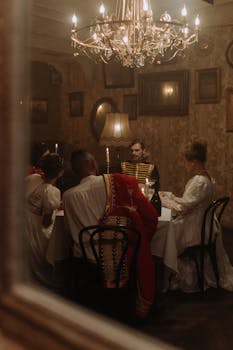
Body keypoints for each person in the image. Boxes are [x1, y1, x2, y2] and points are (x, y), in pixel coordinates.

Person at [63, 149, 158, 318]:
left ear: (75, 171)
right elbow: (150, 216)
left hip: (85, 258)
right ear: (94, 164)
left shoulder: (68, 196)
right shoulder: (116, 182)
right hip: (117, 255)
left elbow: (68, 230)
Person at [155, 136, 233, 292]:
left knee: (162, 233)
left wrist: (163, 200)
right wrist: (170, 198)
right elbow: (188, 204)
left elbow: (183, 207)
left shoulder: (199, 181)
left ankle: (161, 275)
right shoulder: (206, 177)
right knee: (168, 226)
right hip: (203, 223)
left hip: (196, 228)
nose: (184, 165)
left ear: (194, 161)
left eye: (185, 161)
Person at [25, 153, 64, 289]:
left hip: (24, 225)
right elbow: (46, 222)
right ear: (60, 173)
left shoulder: (31, 179)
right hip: (37, 231)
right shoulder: (52, 192)